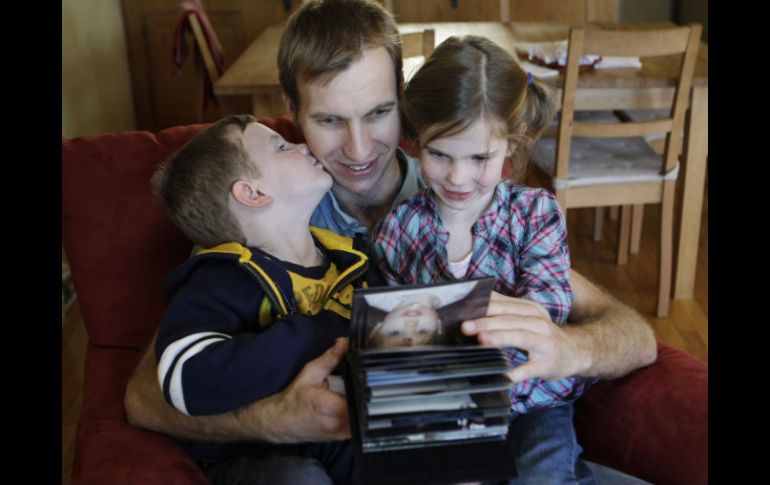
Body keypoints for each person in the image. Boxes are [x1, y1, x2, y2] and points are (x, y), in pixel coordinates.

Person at [124, 1, 657, 483]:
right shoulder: (253, 231)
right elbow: (146, 397)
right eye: (329, 120)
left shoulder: (461, 191)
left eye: (378, 113)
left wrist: (571, 347)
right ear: (293, 108)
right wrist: (275, 420)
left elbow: (632, 334)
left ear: (404, 99)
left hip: (500, 422)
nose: (357, 149)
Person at [373, 34, 596, 484]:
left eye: (480, 157)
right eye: (439, 155)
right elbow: (395, 339)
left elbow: (546, 313)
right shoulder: (397, 228)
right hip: (443, 409)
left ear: (510, 147)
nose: (458, 177)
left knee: (543, 475)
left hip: (535, 402)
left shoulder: (536, 213)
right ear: (416, 142)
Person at [151, 113, 377, 483]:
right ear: (252, 194)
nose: (304, 145)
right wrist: (316, 335)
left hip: (342, 436)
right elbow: (183, 376)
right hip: (261, 456)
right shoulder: (225, 277)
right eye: (282, 147)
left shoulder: (353, 258)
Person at [365, 292, 443, 348]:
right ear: (438, 325)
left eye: (395, 332)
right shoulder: (454, 293)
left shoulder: (375, 297)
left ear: (377, 328)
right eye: (423, 331)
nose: (410, 323)